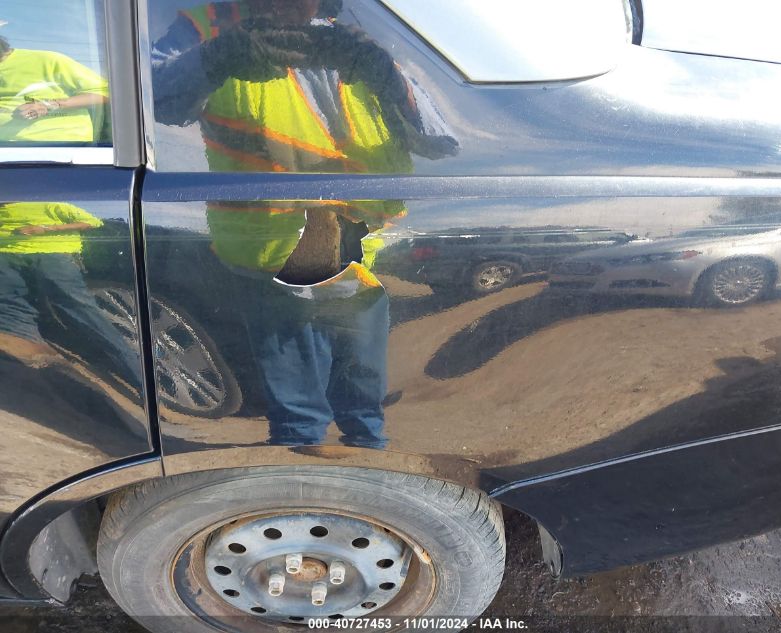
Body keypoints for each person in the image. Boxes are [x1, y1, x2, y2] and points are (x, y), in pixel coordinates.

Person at [152, 0, 456, 448]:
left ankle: (367, 468)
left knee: (363, 396)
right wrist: (216, 57)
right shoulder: (207, 29)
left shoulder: (353, 40)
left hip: (356, 239)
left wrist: (385, 75)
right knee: (299, 413)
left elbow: (439, 139)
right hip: (274, 244)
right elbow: (154, 98)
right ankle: (301, 474)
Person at [0, 202, 140, 386]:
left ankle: (139, 376)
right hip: (6, 255)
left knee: (80, 310)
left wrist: (45, 228)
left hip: (51, 254)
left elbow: (91, 222)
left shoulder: (53, 204)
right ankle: (27, 367)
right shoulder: (4, 206)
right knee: (11, 308)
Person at [0, 34, 109, 143]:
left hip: (59, 146)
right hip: (6, 147)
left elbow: (103, 92)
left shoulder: (49, 60)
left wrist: (48, 105)